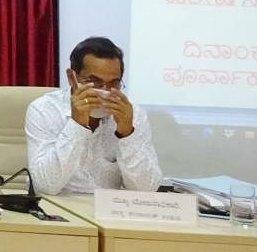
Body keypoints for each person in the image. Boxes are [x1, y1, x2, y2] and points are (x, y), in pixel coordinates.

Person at [26, 37, 162, 194]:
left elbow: (147, 189)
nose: (104, 91)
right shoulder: (44, 110)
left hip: (109, 211)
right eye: (94, 82)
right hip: (57, 207)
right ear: (72, 78)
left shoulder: (133, 115)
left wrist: (127, 134)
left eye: (113, 84)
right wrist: (77, 125)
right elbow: (44, 185)